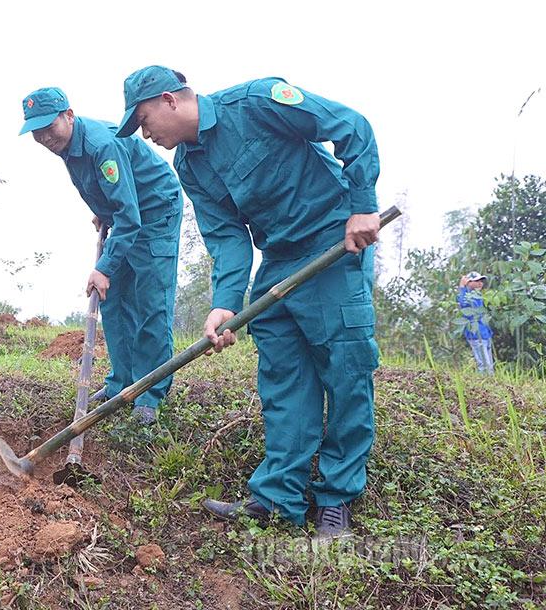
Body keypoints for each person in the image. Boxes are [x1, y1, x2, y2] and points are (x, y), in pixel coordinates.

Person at [116, 65, 381, 538]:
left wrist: (362, 205)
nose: (145, 134)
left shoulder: (258, 102)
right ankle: (279, 497)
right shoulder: (190, 167)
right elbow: (227, 237)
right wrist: (224, 303)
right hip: (278, 260)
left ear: (171, 100)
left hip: (332, 243)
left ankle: (337, 499)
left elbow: (351, 127)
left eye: (143, 119)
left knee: (345, 369)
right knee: (282, 378)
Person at [21, 87, 182, 424]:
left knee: (150, 301)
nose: (45, 137)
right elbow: (110, 194)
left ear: (69, 115)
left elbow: (131, 215)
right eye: (37, 132)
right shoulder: (67, 147)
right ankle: (121, 384)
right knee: (113, 298)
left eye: (49, 127)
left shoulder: (99, 144)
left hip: (154, 210)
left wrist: (104, 266)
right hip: (125, 214)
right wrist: (103, 208)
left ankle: (149, 393)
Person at [457, 271, 495, 374]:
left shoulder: (478, 296)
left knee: (490, 364)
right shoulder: (465, 295)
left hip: (485, 334)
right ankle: (484, 385)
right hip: (476, 335)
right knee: (483, 364)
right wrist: (462, 286)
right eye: (477, 281)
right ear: (468, 282)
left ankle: (492, 384)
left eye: (481, 281)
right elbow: (462, 303)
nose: (480, 283)